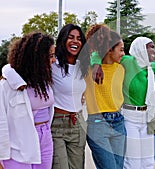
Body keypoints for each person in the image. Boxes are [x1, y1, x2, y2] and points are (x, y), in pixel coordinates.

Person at [91, 36, 155, 169]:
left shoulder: (150, 68)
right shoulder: (127, 61)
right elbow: (99, 53)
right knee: (132, 163)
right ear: (140, 49)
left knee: (148, 162)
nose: (154, 50)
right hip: (129, 118)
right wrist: (96, 64)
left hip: (146, 118)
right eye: (150, 47)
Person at [0, 32, 56, 169]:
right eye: (50, 56)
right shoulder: (8, 84)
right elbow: (1, 122)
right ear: (36, 58)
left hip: (45, 138)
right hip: (19, 145)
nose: (54, 60)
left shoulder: (44, 80)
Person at [84, 24, 126, 169]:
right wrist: (96, 62)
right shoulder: (88, 69)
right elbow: (86, 53)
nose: (123, 53)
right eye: (120, 50)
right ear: (109, 50)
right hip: (97, 123)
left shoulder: (121, 68)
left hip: (119, 122)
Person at [51, 24, 89, 169]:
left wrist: (97, 64)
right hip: (57, 125)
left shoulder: (82, 65)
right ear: (62, 40)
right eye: (71, 37)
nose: (75, 41)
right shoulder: (53, 64)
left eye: (79, 39)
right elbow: (16, 67)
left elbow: (99, 53)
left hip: (78, 123)